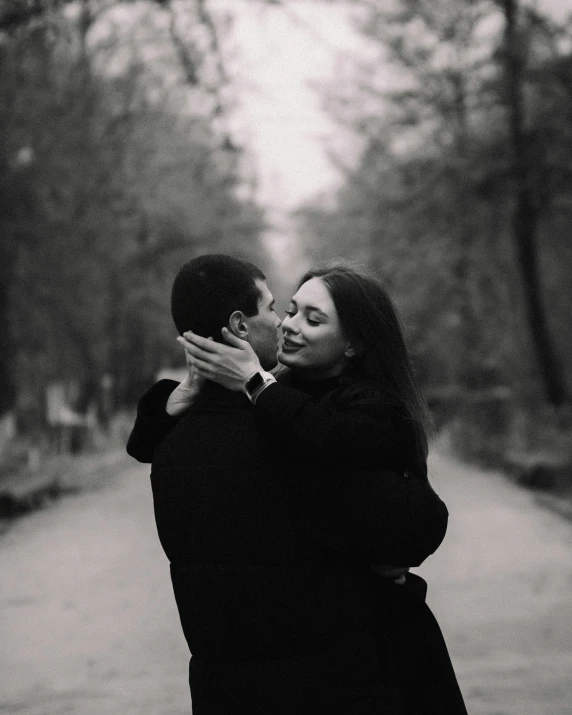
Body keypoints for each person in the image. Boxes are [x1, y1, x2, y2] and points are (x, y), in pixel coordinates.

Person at [127, 255, 454, 714]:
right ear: (240, 325)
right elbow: (417, 525)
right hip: (332, 687)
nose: (286, 324)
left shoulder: (178, 444)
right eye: (283, 308)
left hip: (223, 690)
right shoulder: (288, 437)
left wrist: (208, 394)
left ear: (354, 345)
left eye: (308, 317)